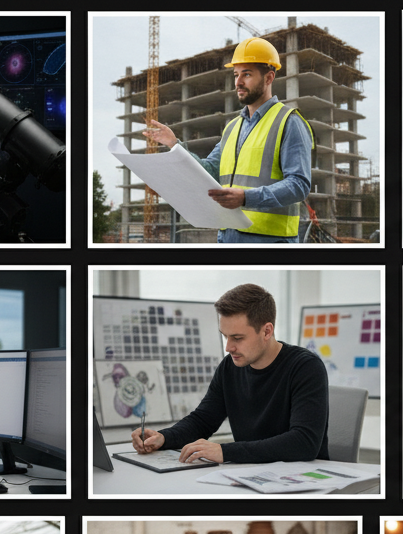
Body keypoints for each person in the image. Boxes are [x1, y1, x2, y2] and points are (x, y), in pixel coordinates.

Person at [130, 283, 330, 464]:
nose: (228, 347)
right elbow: (203, 420)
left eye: (237, 338)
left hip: (303, 480)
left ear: (267, 331)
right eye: (225, 336)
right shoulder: (230, 367)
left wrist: (225, 452)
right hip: (251, 476)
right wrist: (164, 438)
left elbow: (304, 442)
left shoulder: (306, 367)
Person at [142, 37, 313, 243]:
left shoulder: (289, 121)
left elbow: (299, 185)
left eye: (247, 74)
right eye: (236, 74)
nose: (238, 82)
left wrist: (246, 198)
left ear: (269, 78)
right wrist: (174, 145)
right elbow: (210, 170)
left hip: (270, 240)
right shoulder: (233, 127)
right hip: (228, 235)